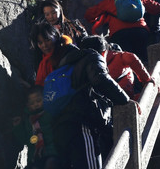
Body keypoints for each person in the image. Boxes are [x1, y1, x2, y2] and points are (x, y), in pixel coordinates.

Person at [30, 22, 136, 168]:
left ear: (56, 37)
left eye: (47, 39)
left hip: (58, 128)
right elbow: (101, 79)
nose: (44, 45)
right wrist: (126, 101)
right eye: (40, 42)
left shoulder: (51, 67)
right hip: (80, 120)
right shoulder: (85, 56)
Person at [84, 0, 160, 63]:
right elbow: (157, 8)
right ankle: (148, 74)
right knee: (143, 60)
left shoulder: (110, 0)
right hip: (140, 31)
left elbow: (89, 14)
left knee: (127, 63)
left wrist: (96, 20)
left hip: (119, 33)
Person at [79, 36, 158, 100]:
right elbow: (131, 58)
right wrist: (146, 79)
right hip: (124, 98)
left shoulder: (79, 66)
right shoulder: (118, 57)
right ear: (104, 51)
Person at [12, 86, 60, 169]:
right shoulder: (28, 120)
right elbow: (25, 139)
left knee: (51, 164)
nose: (36, 104)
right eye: (32, 103)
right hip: (35, 155)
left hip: (52, 152)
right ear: (28, 105)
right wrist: (18, 127)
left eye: (38, 101)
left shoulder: (49, 113)